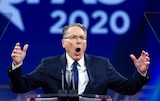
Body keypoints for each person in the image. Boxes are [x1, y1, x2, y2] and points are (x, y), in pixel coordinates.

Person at [8, 23, 150, 95]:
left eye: (82, 38)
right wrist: (17, 65)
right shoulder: (48, 65)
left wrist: (141, 73)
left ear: (86, 43)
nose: (78, 41)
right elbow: (20, 87)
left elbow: (128, 88)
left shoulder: (102, 64)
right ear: (63, 43)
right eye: (73, 37)